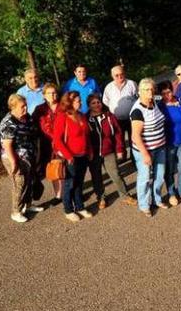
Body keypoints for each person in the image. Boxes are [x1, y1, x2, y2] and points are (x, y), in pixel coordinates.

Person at [85, 94, 136, 209]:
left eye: (98, 102)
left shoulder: (109, 116)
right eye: (93, 103)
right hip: (93, 153)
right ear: (89, 105)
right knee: (96, 177)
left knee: (116, 174)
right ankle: (101, 197)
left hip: (109, 151)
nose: (97, 105)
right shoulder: (85, 119)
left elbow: (118, 133)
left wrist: (119, 149)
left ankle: (125, 195)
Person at [0, 94, 41, 223]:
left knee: (29, 181)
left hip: (28, 154)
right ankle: (15, 211)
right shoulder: (8, 122)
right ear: (13, 107)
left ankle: (27, 205)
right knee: (20, 182)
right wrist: (14, 162)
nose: (25, 108)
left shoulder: (26, 117)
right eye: (22, 106)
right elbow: (7, 145)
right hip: (13, 156)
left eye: (26, 105)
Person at [53, 91, 93, 222]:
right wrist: (69, 156)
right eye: (77, 101)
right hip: (70, 157)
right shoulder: (62, 117)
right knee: (69, 184)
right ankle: (68, 210)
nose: (80, 103)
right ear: (69, 103)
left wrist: (90, 150)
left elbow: (87, 136)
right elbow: (57, 140)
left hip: (83, 155)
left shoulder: (81, 115)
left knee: (79, 183)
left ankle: (80, 207)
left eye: (80, 100)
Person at [130, 78, 168, 217]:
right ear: (139, 92)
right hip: (144, 150)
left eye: (151, 89)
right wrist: (145, 154)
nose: (150, 92)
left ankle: (157, 199)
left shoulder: (155, 101)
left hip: (160, 146)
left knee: (159, 176)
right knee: (145, 178)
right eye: (146, 89)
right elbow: (135, 136)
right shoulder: (137, 111)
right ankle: (144, 205)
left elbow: (166, 95)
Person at [157, 81, 181, 205]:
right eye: (164, 93)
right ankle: (172, 193)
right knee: (170, 170)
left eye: (169, 91)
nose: (167, 95)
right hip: (168, 143)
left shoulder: (180, 102)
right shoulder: (159, 107)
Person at [32, 82, 61, 201]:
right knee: (54, 170)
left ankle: (71, 192)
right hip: (47, 145)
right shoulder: (39, 109)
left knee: (67, 169)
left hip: (63, 142)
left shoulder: (63, 106)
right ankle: (58, 195)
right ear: (44, 95)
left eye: (54, 93)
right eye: (49, 93)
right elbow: (32, 125)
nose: (53, 95)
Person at [102, 65, 139, 156]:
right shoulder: (109, 87)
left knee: (134, 139)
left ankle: (134, 158)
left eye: (121, 74)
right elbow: (105, 101)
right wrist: (113, 108)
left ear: (124, 73)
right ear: (112, 76)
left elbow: (138, 98)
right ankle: (122, 157)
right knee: (119, 140)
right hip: (116, 119)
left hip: (132, 118)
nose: (119, 77)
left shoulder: (132, 84)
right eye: (116, 75)